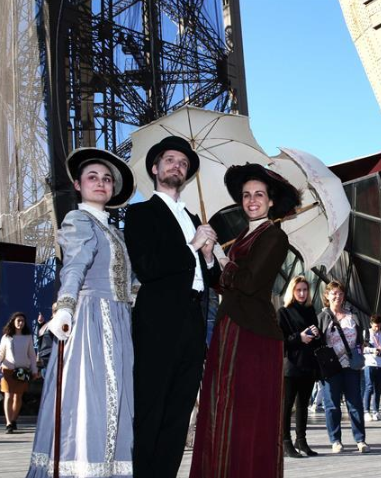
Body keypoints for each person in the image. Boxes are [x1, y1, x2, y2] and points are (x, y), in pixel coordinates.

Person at [26, 148, 136, 477]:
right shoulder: (79, 220)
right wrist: (65, 308)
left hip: (119, 320)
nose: (101, 183)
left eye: (107, 179)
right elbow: (75, 266)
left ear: (113, 188)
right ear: (78, 185)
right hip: (92, 318)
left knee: (115, 400)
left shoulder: (116, 232)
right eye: (92, 177)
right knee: (91, 398)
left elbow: (127, 282)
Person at [189, 163, 302, 476]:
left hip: (254, 334)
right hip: (230, 326)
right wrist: (210, 257)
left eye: (259, 194)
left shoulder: (274, 236)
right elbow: (225, 284)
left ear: (270, 201)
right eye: (246, 195)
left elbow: (249, 283)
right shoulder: (243, 235)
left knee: (247, 412)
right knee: (222, 406)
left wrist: (222, 258)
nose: (252, 200)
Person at [124, 136, 221, 478]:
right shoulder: (140, 213)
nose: (177, 166)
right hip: (157, 323)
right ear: (155, 168)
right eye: (170, 160)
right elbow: (147, 267)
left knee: (179, 414)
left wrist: (208, 257)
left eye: (183, 163)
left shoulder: (195, 218)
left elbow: (211, 279)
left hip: (193, 323)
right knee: (150, 409)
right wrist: (191, 245)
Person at [315, 280, 371, 454]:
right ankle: (335, 440)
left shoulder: (352, 316)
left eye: (340, 293)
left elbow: (360, 339)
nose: (337, 296)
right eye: (334, 293)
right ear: (327, 295)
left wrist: (359, 352)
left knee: (355, 403)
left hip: (350, 365)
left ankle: (360, 440)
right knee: (332, 405)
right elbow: (317, 342)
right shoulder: (322, 317)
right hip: (331, 367)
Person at [277, 275, 321, 458]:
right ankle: (285, 441)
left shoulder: (310, 310)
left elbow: (317, 341)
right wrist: (299, 337)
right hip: (291, 365)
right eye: (298, 290)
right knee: (287, 405)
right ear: (292, 291)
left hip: (308, 363)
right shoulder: (283, 312)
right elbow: (280, 340)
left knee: (303, 404)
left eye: (305, 290)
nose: (302, 293)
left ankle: (301, 440)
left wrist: (317, 334)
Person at [0, 312, 38, 433]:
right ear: (13, 322)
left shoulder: (27, 337)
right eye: (18, 320)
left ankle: (13, 420)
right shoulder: (6, 337)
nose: (20, 323)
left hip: (22, 371)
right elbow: (1, 352)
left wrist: (34, 370)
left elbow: (32, 355)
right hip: (7, 369)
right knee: (8, 395)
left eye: (22, 321)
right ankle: (8, 423)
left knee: (17, 396)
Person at [363, 315, 381, 423]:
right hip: (369, 363)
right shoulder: (366, 333)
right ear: (371, 324)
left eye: (379, 326)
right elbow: (361, 348)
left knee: (378, 389)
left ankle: (376, 411)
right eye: (375, 326)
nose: (377, 328)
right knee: (369, 387)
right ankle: (366, 411)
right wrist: (372, 350)